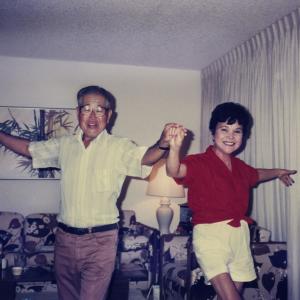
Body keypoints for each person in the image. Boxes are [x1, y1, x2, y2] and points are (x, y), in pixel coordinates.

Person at [0, 85, 177, 300]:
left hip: (100, 242)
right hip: (64, 240)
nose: (92, 117)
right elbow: (29, 149)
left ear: (109, 115)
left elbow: (146, 157)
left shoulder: (119, 147)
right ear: (78, 112)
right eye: (86, 109)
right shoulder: (64, 145)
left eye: (99, 110)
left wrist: (162, 143)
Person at [166, 102, 296, 300]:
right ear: (213, 132)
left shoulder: (240, 167)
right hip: (210, 236)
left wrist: (278, 172)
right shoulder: (199, 162)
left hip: (239, 236)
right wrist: (174, 149)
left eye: (237, 131)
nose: (230, 136)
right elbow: (174, 171)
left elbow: (256, 174)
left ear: (243, 136)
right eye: (224, 129)